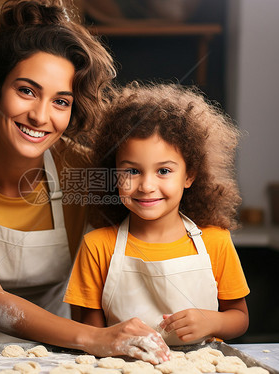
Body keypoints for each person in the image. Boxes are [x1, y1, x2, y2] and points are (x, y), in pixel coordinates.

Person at [0, 0, 170, 363]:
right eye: (26, 91)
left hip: (50, 355)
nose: (41, 116)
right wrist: (96, 338)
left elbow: (140, 249)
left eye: (61, 101)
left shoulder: (83, 174)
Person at [64, 82, 250, 345]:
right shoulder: (97, 247)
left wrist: (212, 321)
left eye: (164, 171)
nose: (147, 186)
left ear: (190, 175)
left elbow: (239, 318)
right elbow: (93, 336)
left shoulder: (215, 242)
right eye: (132, 171)